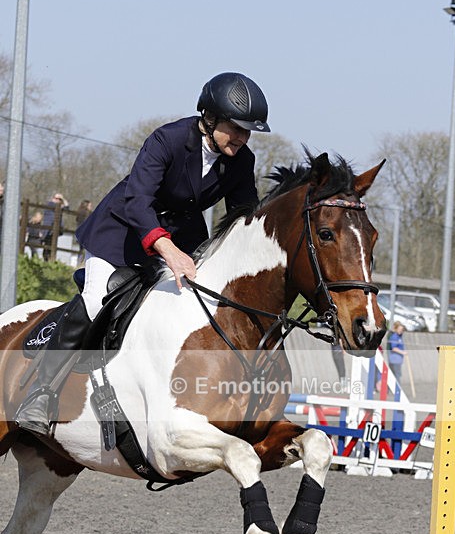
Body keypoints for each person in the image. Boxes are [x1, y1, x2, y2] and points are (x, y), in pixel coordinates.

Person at [15, 72, 270, 436]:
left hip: (182, 240)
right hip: (121, 233)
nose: (243, 137)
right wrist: (168, 250)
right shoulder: (167, 139)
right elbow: (137, 201)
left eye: (248, 131)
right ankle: (40, 393)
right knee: (93, 302)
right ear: (210, 118)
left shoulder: (242, 161)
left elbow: (244, 215)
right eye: (237, 127)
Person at [42, 193, 69, 261]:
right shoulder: (50, 204)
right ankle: (46, 259)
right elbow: (62, 207)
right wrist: (62, 202)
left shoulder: (59, 206)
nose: (57, 200)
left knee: (51, 244)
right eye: (56, 198)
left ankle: (49, 259)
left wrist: (63, 200)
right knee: (47, 244)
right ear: (53, 198)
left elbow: (67, 208)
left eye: (59, 199)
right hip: (48, 228)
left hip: (54, 228)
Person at [75, 199, 93, 266]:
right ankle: (82, 263)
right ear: (86, 206)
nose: (91, 207)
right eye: (90, 206)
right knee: (85, 250)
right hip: (85, 234)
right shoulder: (87, 214)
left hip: (79, 233)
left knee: (81, 249)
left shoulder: (79, 213)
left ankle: (79, 263)